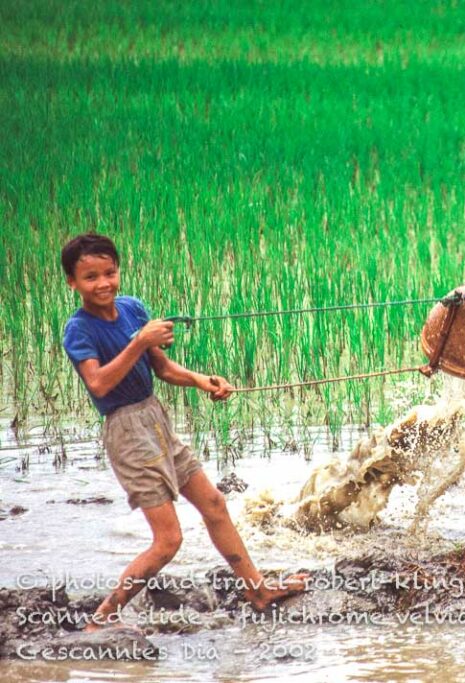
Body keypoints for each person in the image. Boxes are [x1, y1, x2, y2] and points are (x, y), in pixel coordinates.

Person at [61, 233, 307, 631]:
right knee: (168, 540)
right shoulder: (79, 330)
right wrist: (139, 341)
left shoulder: (133, 309)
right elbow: (100, 384)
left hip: (155, 419)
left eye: (110, 272)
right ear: (72, 282)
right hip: (125, 430)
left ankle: (257, 591)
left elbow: (162, 369)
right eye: (90, 277)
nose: (103, 283)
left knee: (214, 504)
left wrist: (202, 380)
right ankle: (102, 618)